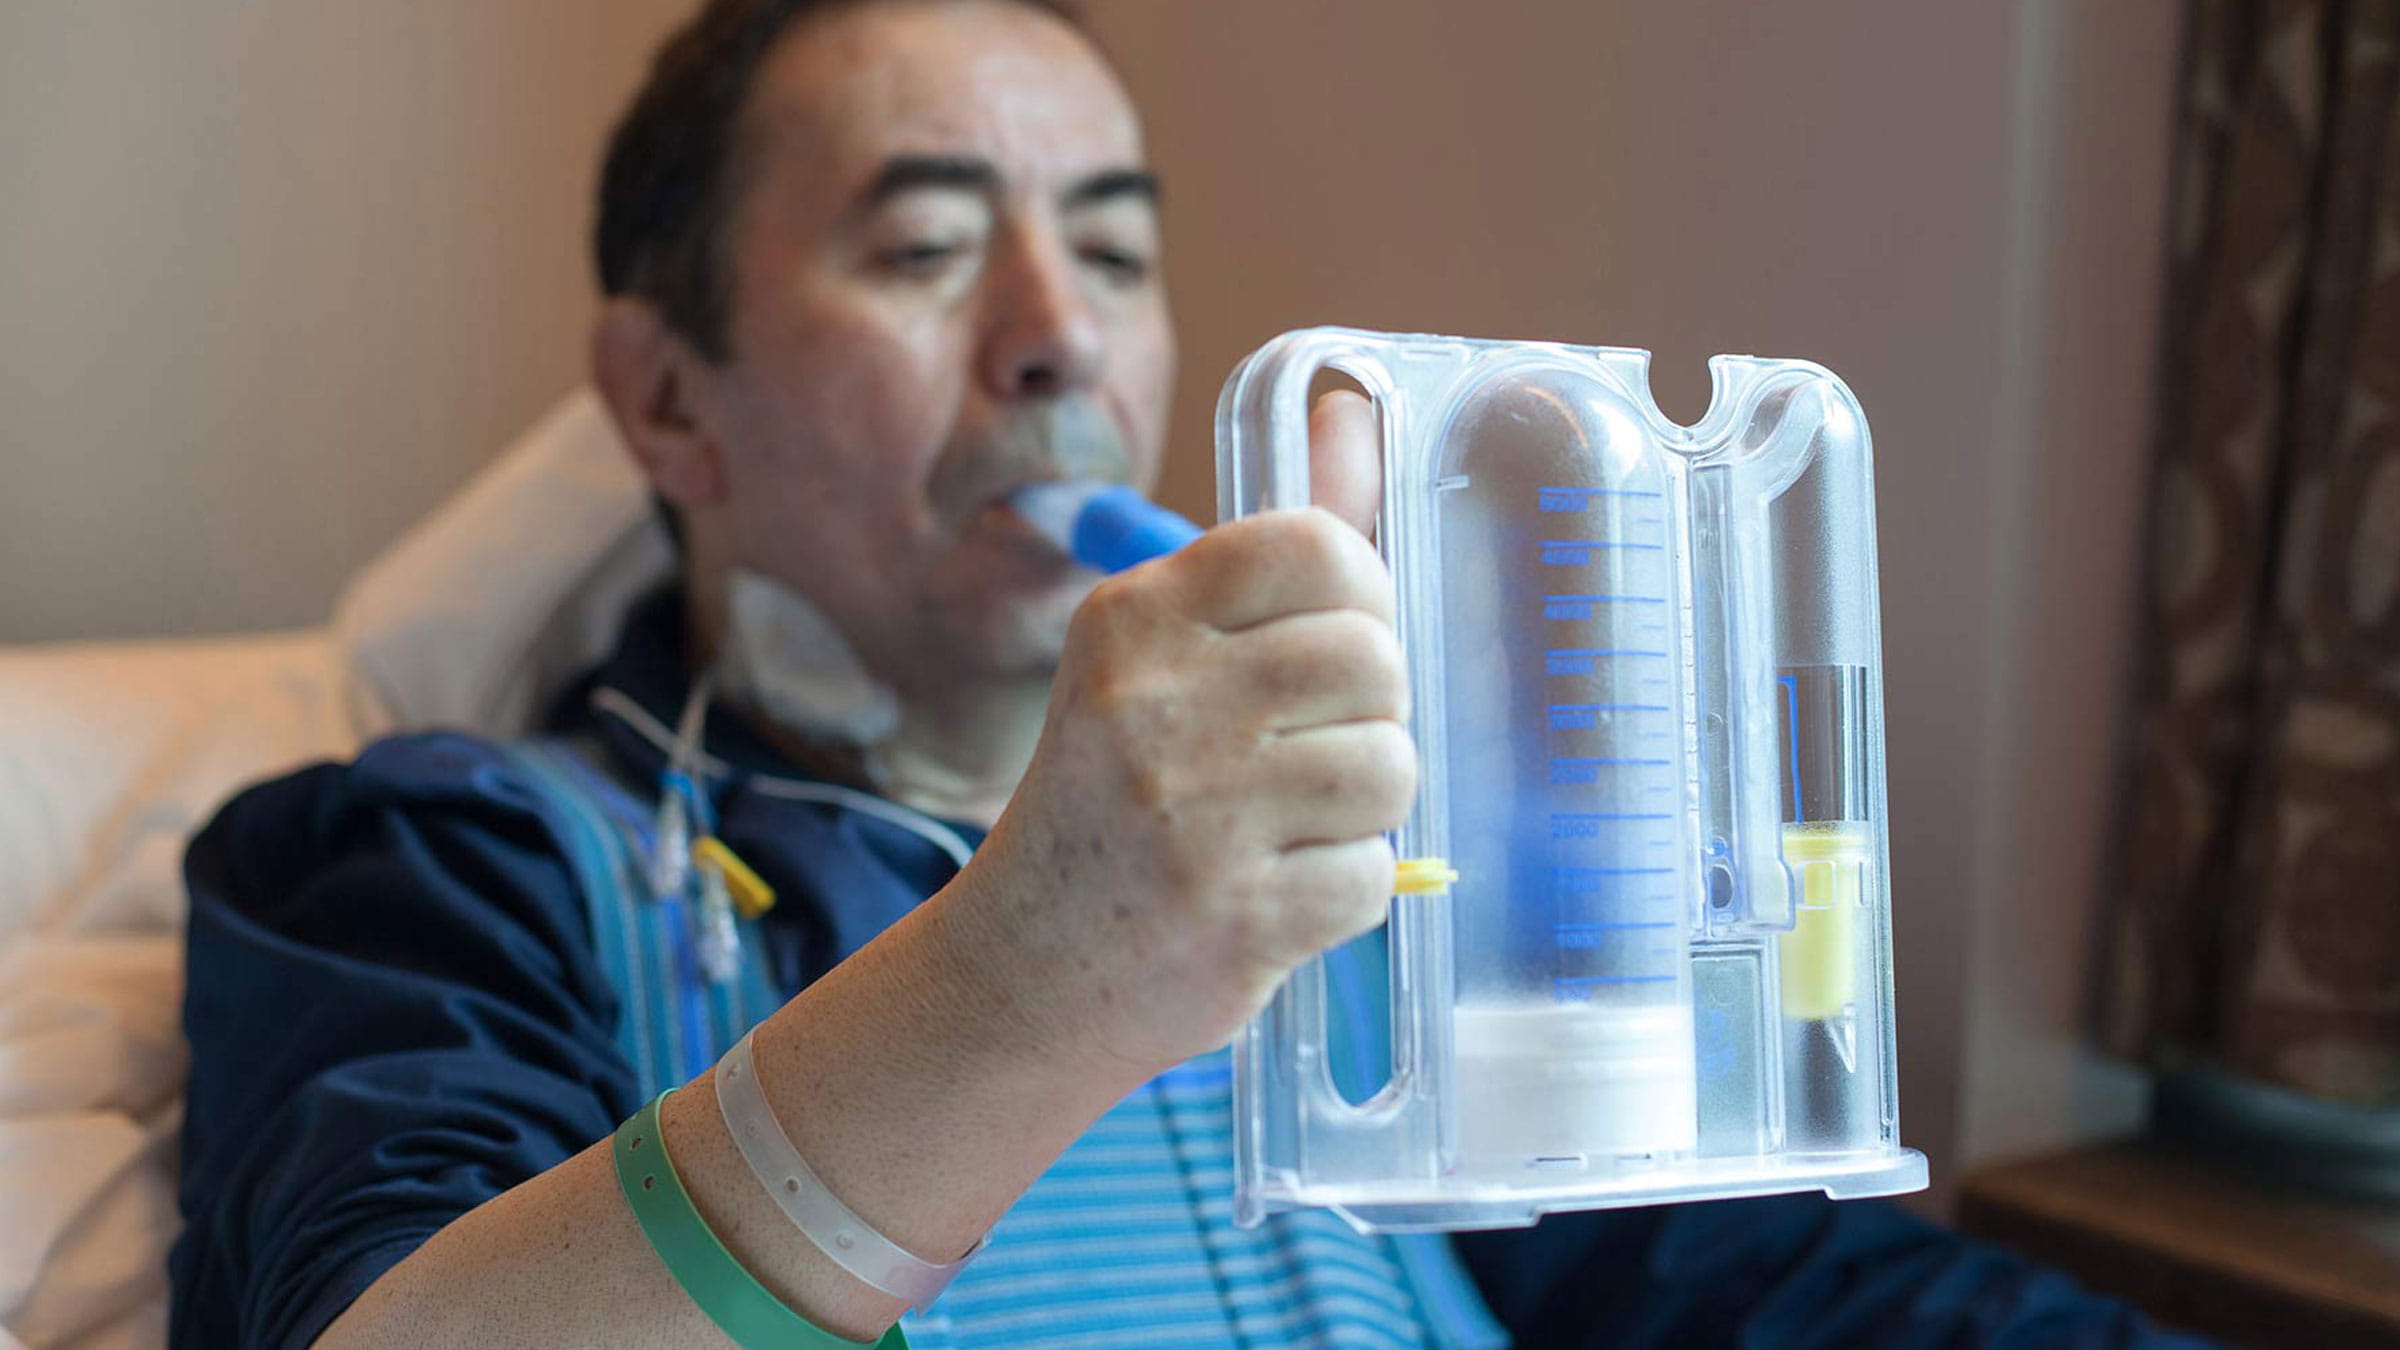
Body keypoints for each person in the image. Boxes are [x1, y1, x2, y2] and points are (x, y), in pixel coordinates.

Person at [169, 1, 2214, 1347]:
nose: (1060, 339)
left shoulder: (1367, 896)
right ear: (666, 397)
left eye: (1120, 253)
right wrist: (1027, 974)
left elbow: (1762, 1283)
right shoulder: (443, 858)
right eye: (924, 248)